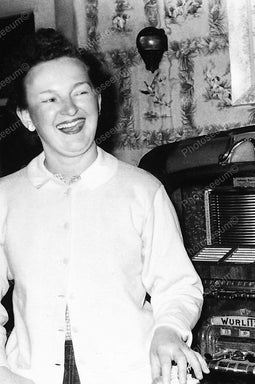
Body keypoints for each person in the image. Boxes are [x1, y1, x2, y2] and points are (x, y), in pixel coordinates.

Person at [0, 28, 209, 384]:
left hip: (129, 371)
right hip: (29, 374)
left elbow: (177, 286)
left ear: (97, 101)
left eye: (80, 92)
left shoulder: (144, 190)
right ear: (27, 117)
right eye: (49, 100)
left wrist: (169, 331)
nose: (70, 109)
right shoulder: (5, 196)